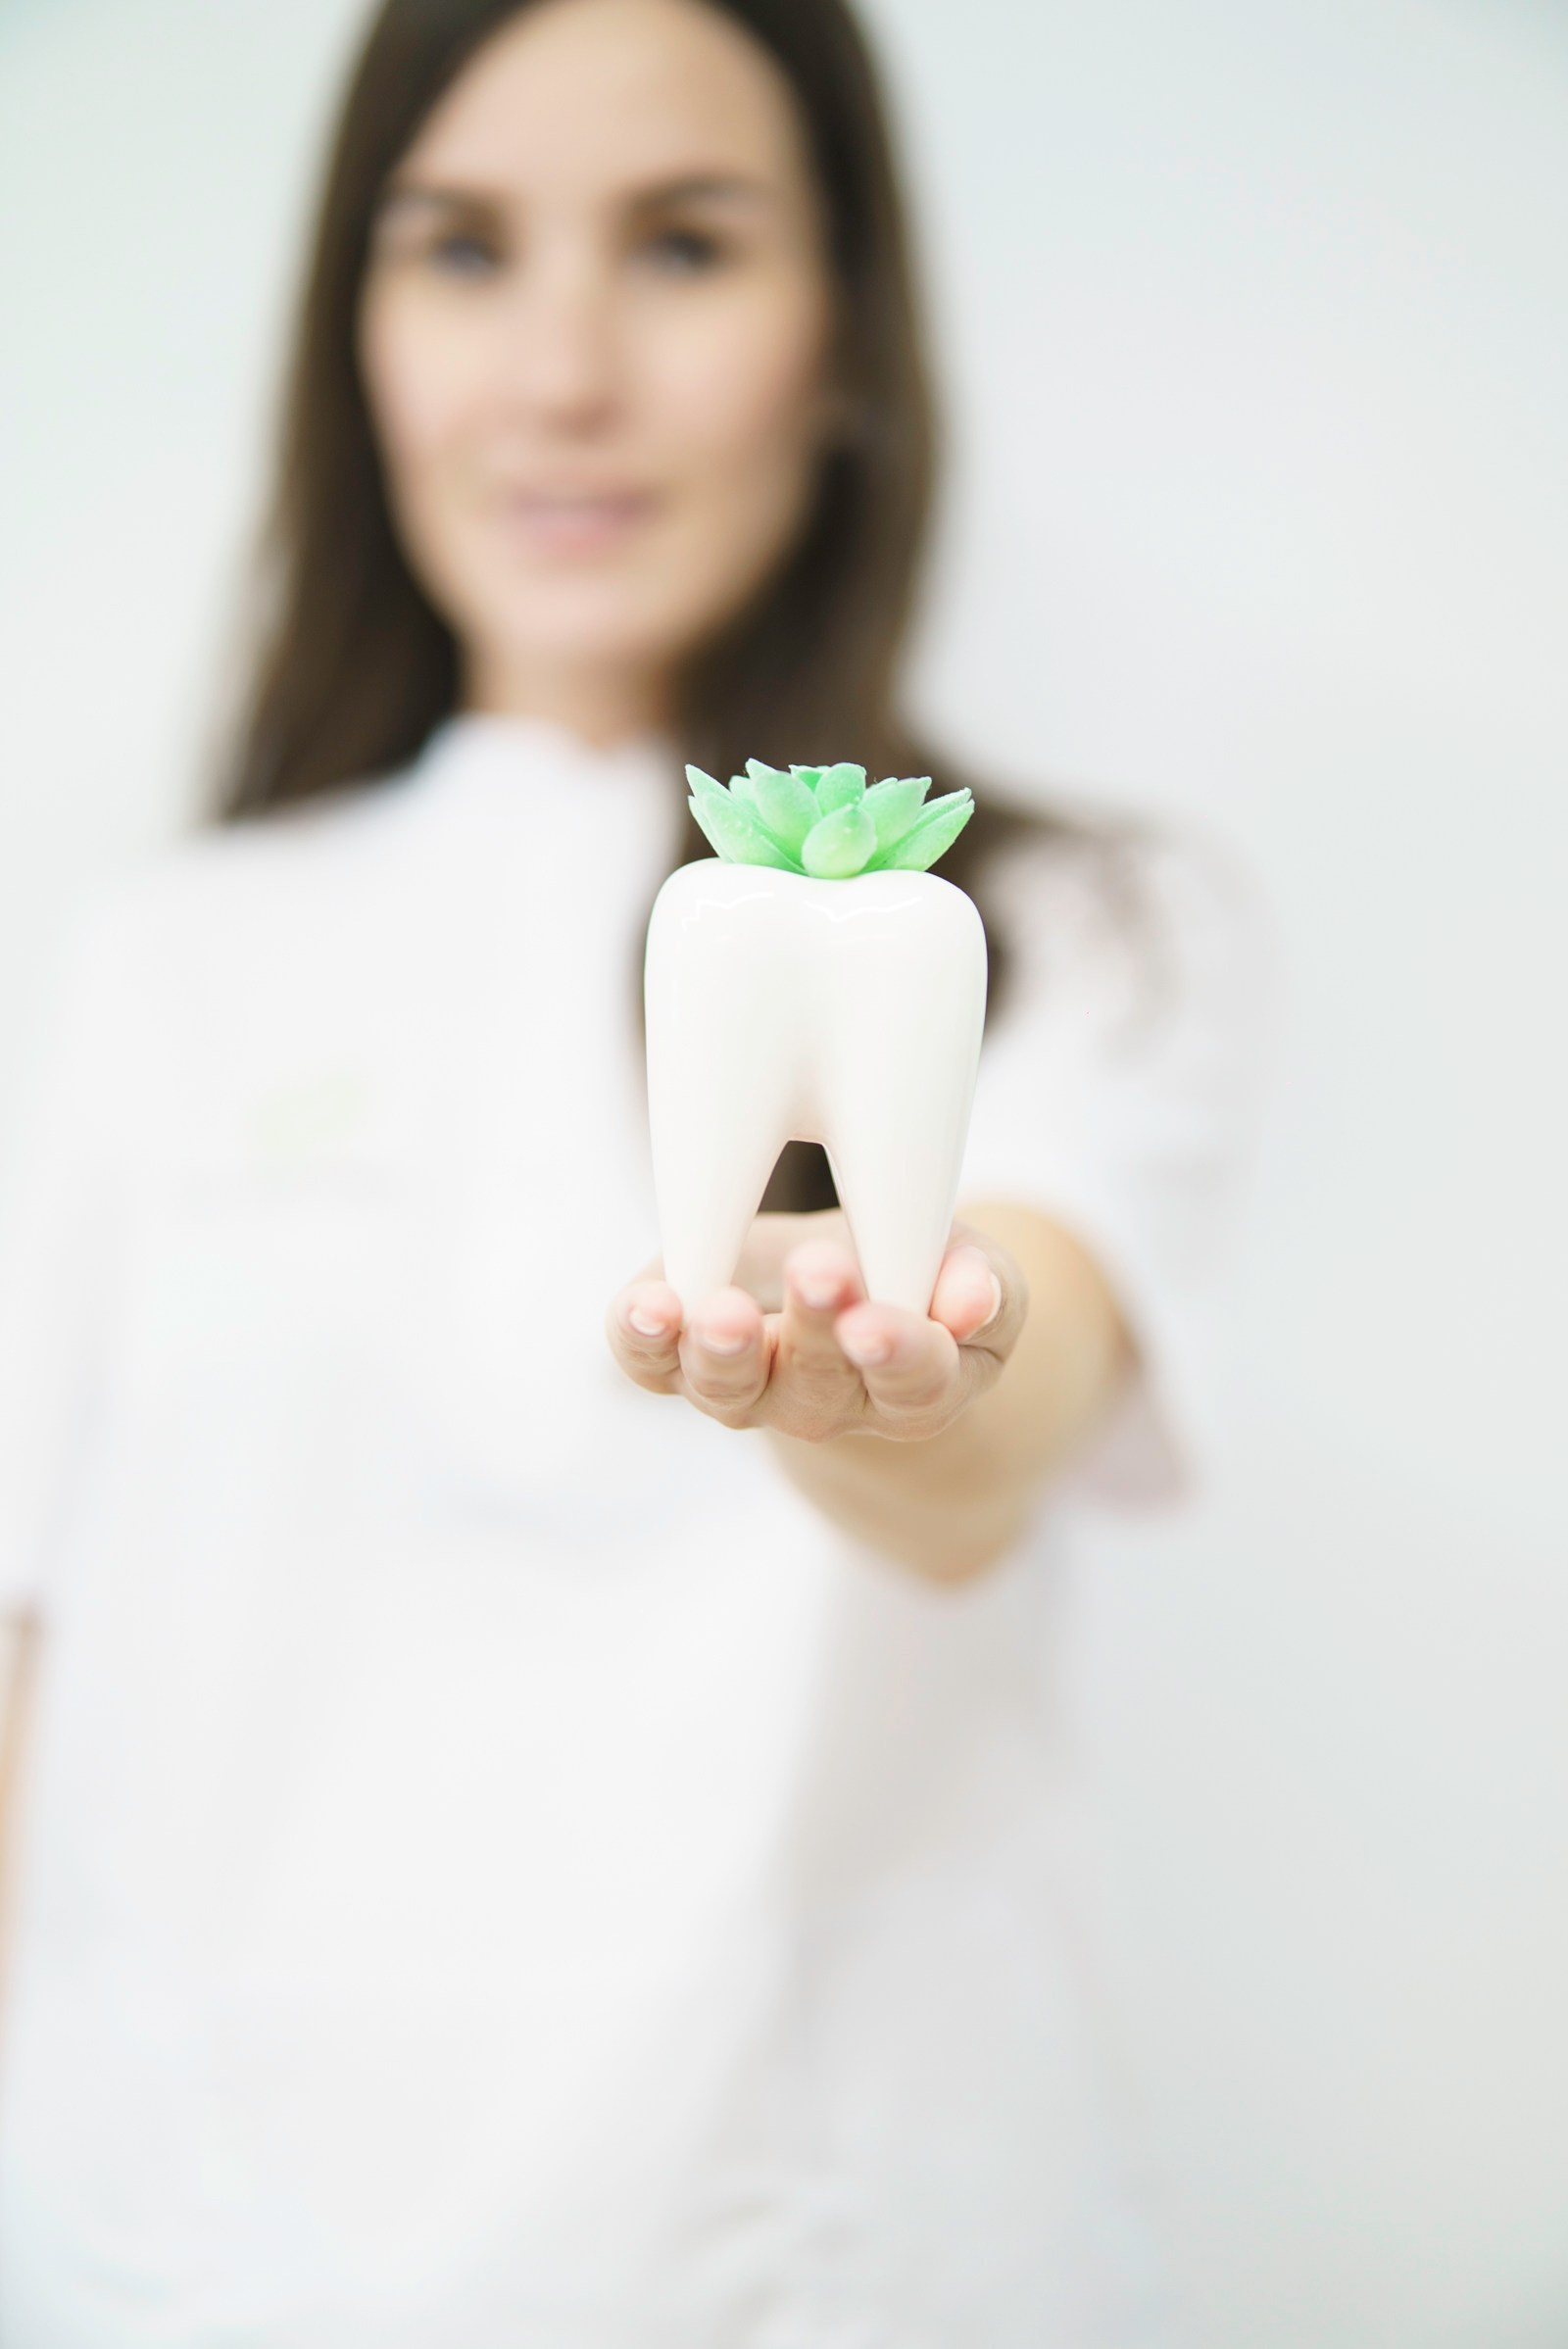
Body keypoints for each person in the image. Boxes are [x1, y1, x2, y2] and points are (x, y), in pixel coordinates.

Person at [0, 0, 1267, 2340]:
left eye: (685, 247)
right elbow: (31, 1643)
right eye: (462, 250)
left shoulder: (1068, 926)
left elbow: (999, 1405)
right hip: (198, 2257)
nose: (561, 375)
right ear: (355, 334)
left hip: (810, 2256)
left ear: (845, 336)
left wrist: (884, 1378)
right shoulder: (168, 959)